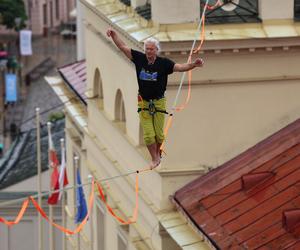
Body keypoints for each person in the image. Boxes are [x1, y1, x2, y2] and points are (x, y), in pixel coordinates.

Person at [107, 28, 204, 169]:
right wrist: (114, 35)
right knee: (148, 135)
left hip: (158, 102)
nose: (148, 52)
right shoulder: (139, 58)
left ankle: (158, 154)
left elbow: (181, 67)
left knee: (159, 135)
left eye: (151, 49)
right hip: (144, 101)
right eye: (147, 49)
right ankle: (154, 158)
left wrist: (194, 65)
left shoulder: (164, 63)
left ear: (156, 50)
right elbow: (123, 47)